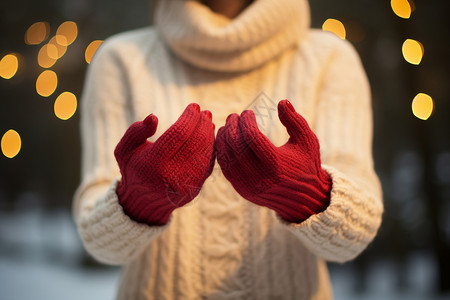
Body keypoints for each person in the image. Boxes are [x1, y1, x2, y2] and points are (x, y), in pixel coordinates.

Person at [73, 0, 384, 299]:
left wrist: (309, 194)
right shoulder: (121, 59)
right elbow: (100, 244)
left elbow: (354, 238)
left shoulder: (330, 57)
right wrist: (138, 201)